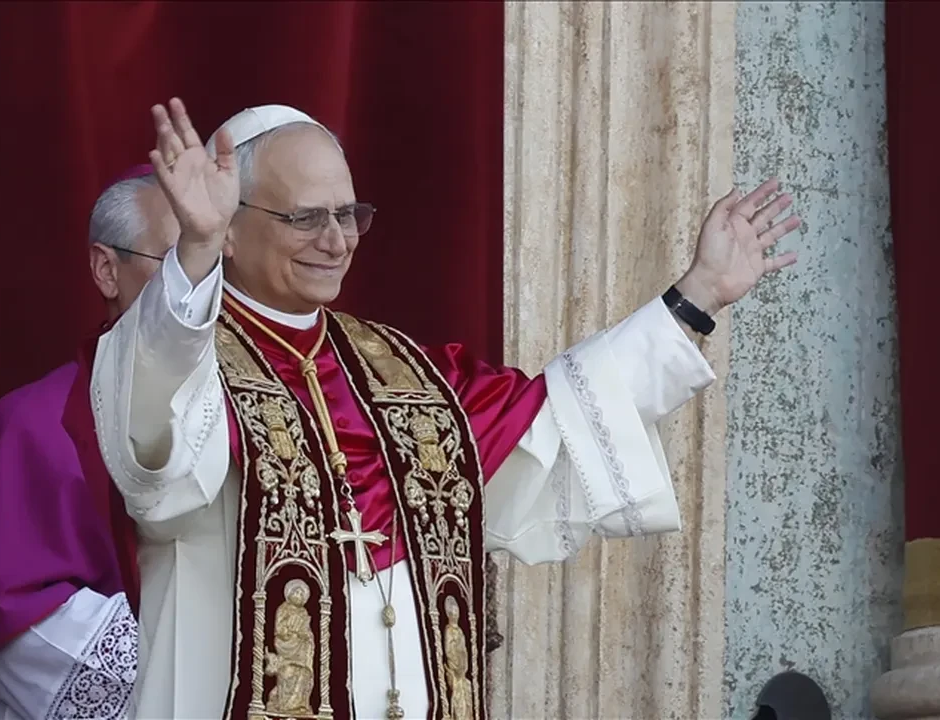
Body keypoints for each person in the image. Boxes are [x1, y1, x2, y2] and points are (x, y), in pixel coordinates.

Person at [91, 99, 803, 719]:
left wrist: (698, 295)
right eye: (307, 217)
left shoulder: (406, 373)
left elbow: (555, 416)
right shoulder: (187, 354)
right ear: (232, 226)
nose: (337, 240)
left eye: (349, 215)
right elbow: (156, 445)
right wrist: (195, 255)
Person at [0, 166, 178, 719]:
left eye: (220, 265)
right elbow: (20, 621)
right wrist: (204, 670)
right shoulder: (30, 429)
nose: (207, 288)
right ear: (108, 269)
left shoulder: (257, 414)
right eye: (179, 262)